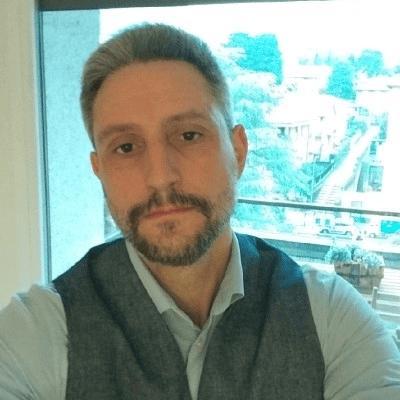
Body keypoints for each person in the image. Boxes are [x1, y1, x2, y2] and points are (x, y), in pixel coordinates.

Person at [0, 23, 399, 400]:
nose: (160, 176)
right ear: (99, 170)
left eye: (189, 135)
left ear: (238, 151)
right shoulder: (38, 333)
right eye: (126, 147)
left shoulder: (331, 319)